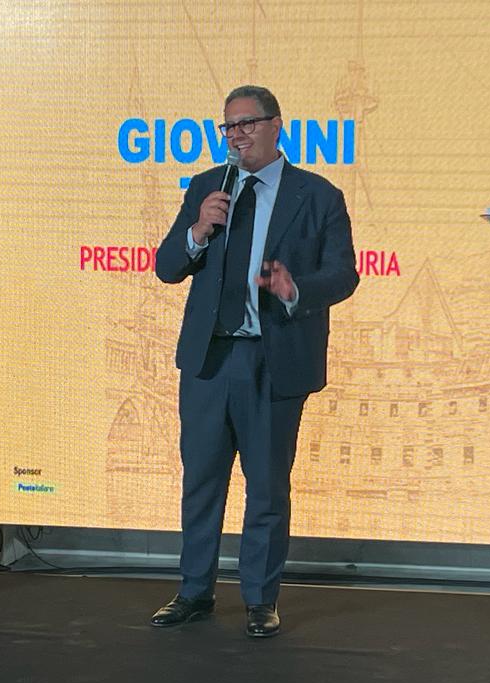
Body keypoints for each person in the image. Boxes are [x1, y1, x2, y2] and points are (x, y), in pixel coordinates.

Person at [152, 85, 359, 637]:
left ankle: (260, 599)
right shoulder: (207, 187)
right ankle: (193, 591)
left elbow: (344, 274)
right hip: (209, 360)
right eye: (229, 126)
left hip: (273, 359)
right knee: (201, 481)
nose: (236, 135)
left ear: (276, 126)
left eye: (247, 123)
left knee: (266, 487)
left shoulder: (317, 195)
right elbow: (167, 267)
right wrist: (198, 230)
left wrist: (296, 288)